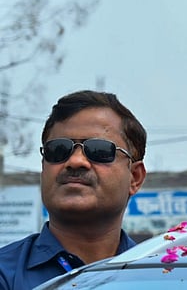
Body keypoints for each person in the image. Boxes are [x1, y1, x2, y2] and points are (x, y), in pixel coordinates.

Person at [0, 90, 147, 290]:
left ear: (135, 178)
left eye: (99, 150)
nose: (76, 161)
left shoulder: (165, 276)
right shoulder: (5, 275)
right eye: (58, 150)